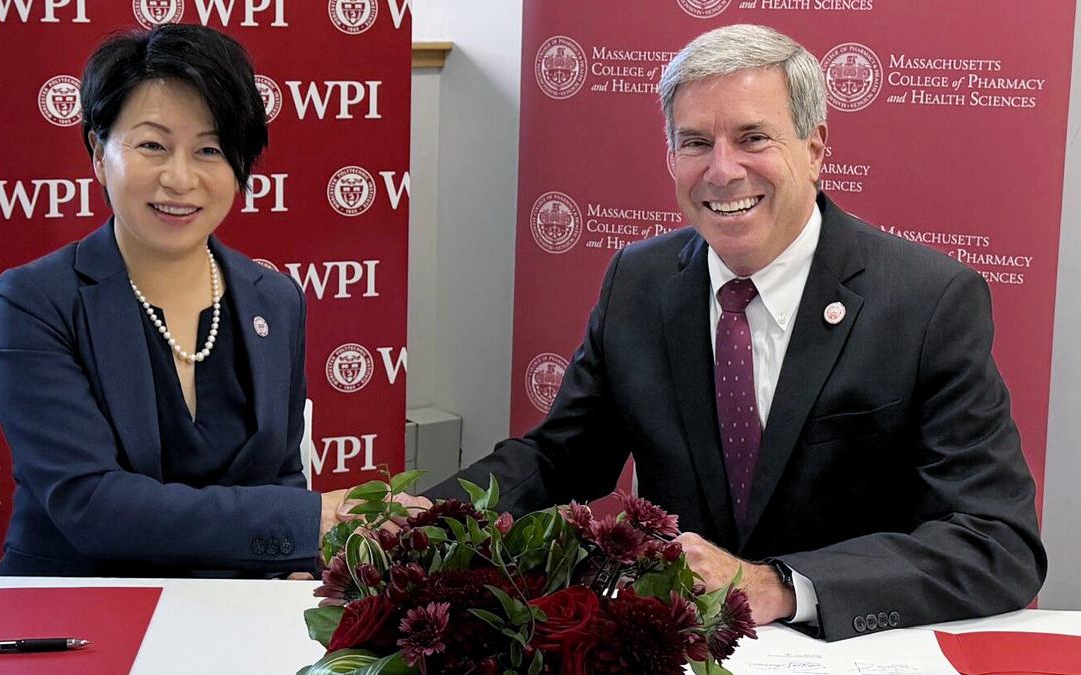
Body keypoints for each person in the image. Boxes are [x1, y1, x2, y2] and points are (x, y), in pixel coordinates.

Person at [426, 24, 1046, 640]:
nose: (722, 171)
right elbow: (561, 458)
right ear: (670, 157)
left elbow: (997, 541)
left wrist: (777, 584)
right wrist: (430, 518)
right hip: (680, 648)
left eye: (753, 138)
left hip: (850, 649)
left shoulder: (925, 301)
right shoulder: (637, 283)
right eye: (695, 142)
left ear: (815, 147)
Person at [0, 24, 350, 577]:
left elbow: (280, 478)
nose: (180, 178)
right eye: (152, 144)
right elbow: (91, 504)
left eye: (210, 150)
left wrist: (291, 563)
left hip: (233, 607)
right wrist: (303, 523)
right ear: (98, 152)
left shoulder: (275, 299)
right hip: (79, 606)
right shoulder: (36, 301)